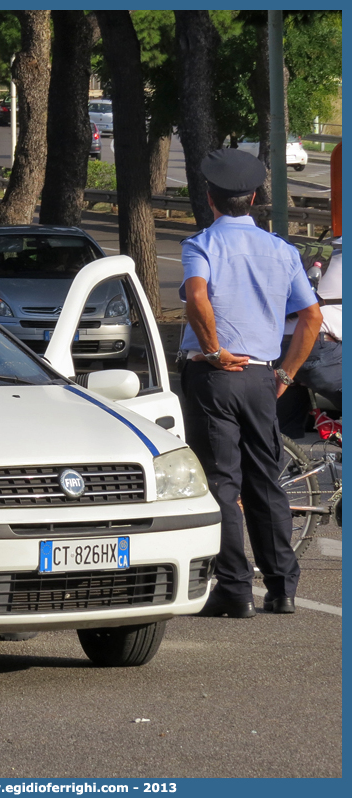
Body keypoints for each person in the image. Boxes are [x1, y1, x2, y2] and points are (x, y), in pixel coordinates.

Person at [179, 148, 322, 618]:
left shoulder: (201, 245)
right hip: (262, 375)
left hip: (214, 375)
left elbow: (197, 295)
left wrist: (216, 350)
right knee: (267, 479)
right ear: (255, 196)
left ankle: (235, 588)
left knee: (222, 480)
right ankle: (282, 588)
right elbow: (312, 316)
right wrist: (285, 373)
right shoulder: (282, 250)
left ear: (210, 196)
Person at [277, 237, 341, 438]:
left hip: (281, 348)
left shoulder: (324, 248)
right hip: (319, 349)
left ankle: (292, 465)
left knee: (282, 436)